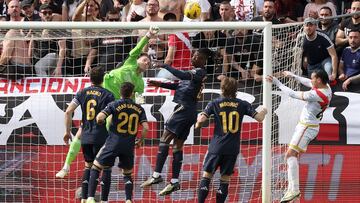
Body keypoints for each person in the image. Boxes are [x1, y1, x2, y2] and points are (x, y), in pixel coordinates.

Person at [55, 26, 159, 178]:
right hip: (100, 95)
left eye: (149, 63)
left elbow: (138, 103)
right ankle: (66, 167)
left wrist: (137, 113)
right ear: (137, 59)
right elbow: (138, 48)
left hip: (113, 105)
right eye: (144, 59)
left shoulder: (140, 83)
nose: (146, 63)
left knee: (106, 134)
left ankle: (101, 168)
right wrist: (148, 35)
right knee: (82, 130)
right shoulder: (130, 63)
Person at [140, 48, 211, 196]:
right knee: (177, 147)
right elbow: (179, 84)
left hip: (184, 109)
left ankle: (156, 176)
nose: (193, 57)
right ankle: (174, 182)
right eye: (193, 55)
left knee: (164, 139)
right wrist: (160, 84)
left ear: (204, 60)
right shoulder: (194, 74)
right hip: (189, 112)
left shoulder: (200, 72)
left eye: (197, 56)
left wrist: (165, 65)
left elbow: (182, 75)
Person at [195, 76, 267, 203]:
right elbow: (260, 118)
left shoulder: (214, 103)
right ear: (236, 90)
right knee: (225, 179)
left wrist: (198, 123)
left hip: (216, 147)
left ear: (222, 89)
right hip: (232, 148)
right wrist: (264, 110)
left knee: (207, 176)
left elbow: (201, 120)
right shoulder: (243, 104)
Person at [265, 68, 332, 202]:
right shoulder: (327, 87)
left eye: (313, 78)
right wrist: (294, 76)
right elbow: (308, 82)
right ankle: (292, 191)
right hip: (307, 126)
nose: (311, 80)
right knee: (292, 155)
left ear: (319, 80)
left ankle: (294, 190)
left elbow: (293, 94)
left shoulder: (316, 95)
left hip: (307, 127)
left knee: (290, 154)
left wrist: (277, 83)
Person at [86, 82, 149, 203]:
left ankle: (90, 198)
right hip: (128, 145)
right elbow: (146, 127)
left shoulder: (114, 104)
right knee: (127, 174)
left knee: (95, 167)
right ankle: (128, 200)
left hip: (113, 143)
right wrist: (141, 140)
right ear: (132, 94)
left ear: (120, 92)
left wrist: (100, 122)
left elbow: (100, 117)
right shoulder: (139, 108)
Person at [63, 67, 115, 203]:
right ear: (103, 78)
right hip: (101, 136)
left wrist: (67, 132)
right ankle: (103, 200)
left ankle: (84, 199)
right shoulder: (108, 95)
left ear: (90, 78)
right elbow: (111, 118)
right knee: (105, 168)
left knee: (88, 166)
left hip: (85, 136)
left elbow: (68, 112)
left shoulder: (82, 92)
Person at [302, 17, 338, 81]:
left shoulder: (323, 37)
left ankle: (329, 86)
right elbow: (303, 52)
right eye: (306, 25)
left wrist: (334, 73)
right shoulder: (301, 38)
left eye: (311, 25)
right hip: (312, 64)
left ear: (316, 26)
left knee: (328, 68)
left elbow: (334, 55)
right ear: (304, 27)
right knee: (314, 83)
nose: (308, 28)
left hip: (324, 60)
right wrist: (305, 59)